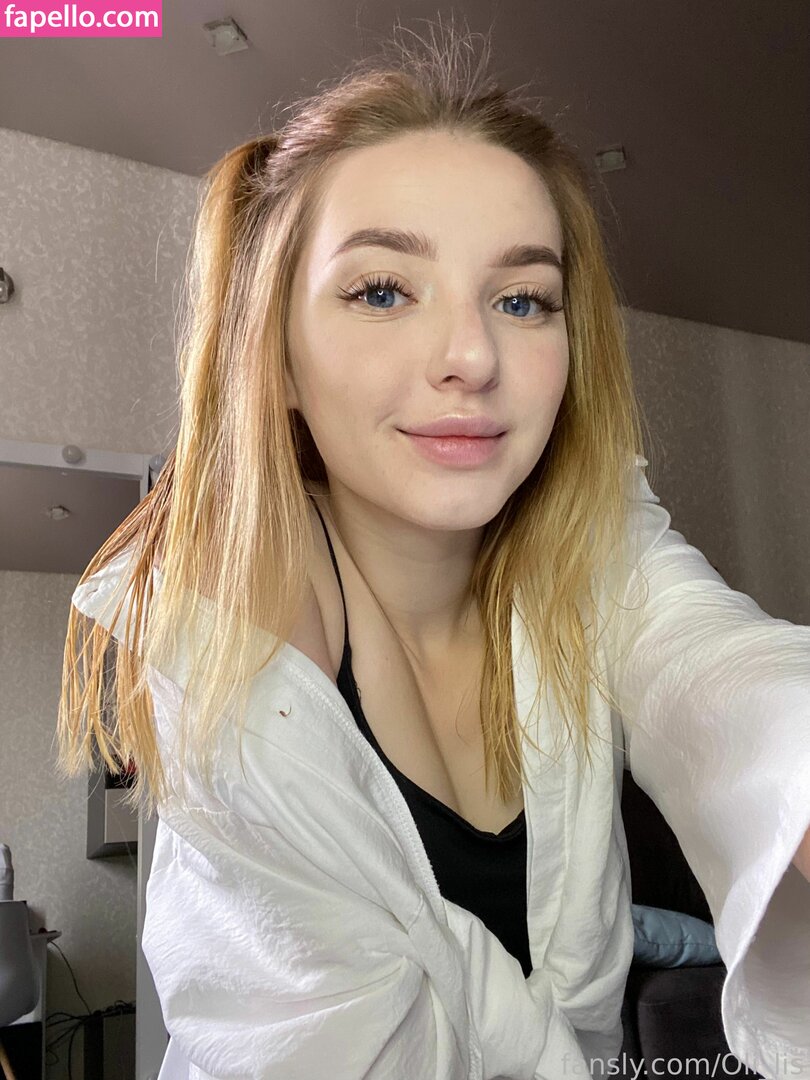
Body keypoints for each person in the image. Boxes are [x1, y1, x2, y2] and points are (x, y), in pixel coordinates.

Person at [57, 19, 810, 1080]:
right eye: (381, 290)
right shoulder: (236, 631)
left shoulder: (589, 534)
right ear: (275, 357)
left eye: (522, 299)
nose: (472, 355)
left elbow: (718, 666)